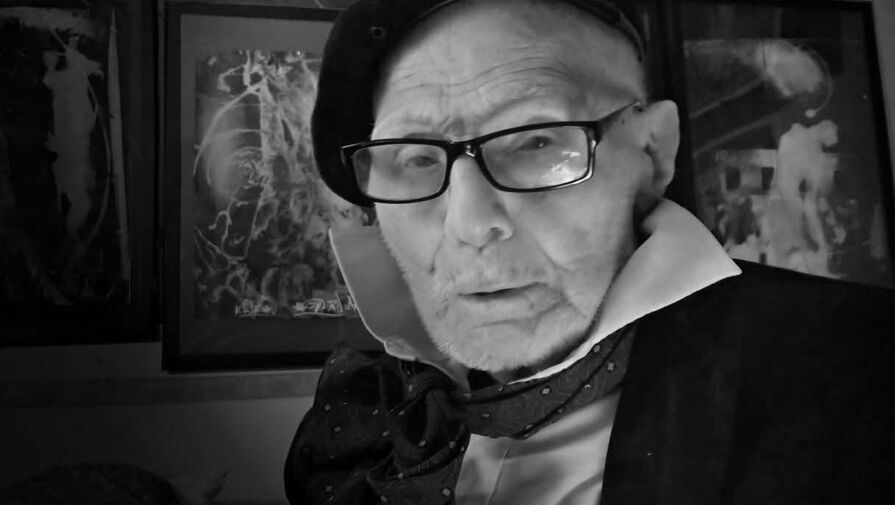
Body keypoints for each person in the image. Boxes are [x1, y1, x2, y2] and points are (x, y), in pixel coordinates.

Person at [285, 0, 895, 503]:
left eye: (535, 141)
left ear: (652, 152)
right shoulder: (363, 410)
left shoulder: (864, 372)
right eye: (416, 158)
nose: (469, 225)